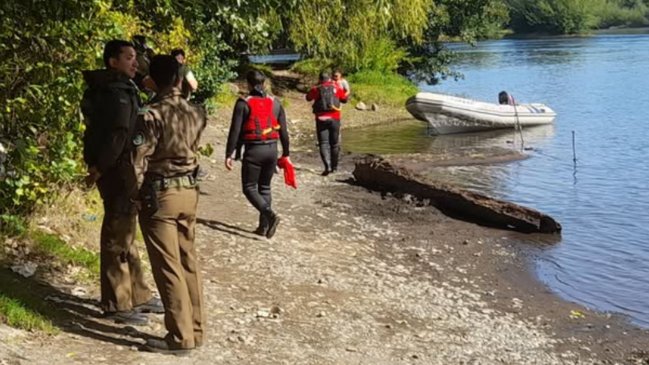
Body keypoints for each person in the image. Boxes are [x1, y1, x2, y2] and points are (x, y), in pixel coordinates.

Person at [129, 55, 207, 355]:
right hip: (190, 191)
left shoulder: (150, 114)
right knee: (188, 262)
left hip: (160, 195)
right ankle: (196, 330)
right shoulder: (196, 112)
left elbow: (139, 160)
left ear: (152, 80)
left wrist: (135, 195)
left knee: (168, 266)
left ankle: (179, 337)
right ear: (178, 79)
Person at [80, 40, 162, 325]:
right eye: (128, 58)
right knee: (117, 236)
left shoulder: (124, 89)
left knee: (127, 232)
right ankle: (117, 303)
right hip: (117, 172)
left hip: (125, 170)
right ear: (112, 61)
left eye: (134, 58)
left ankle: (137, 294)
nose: (135, 63)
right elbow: (116, 136)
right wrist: (98, 169)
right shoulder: (116, 93)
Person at [225, 70, 290, 239]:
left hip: (254, 150)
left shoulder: (243, 103)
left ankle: (269, 215)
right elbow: (283, 131)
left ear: (248, 84)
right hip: (271, 150)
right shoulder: (276, 103)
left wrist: (229, 154)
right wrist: (286, 154)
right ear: (264, 83)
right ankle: (263, 227)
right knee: (265, 187)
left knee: (249, 188)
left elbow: (235, 131)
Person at [306, 71, 348, 176]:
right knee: (334, 144)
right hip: (335, 118)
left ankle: (327, 167)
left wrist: (315, 87)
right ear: (330, 79)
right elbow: (344, 100)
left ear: (320, 79)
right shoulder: (337, 87)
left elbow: (308, 98)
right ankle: (335, 168)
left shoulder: (316, 89)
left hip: (321, 119)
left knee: (323, 143)